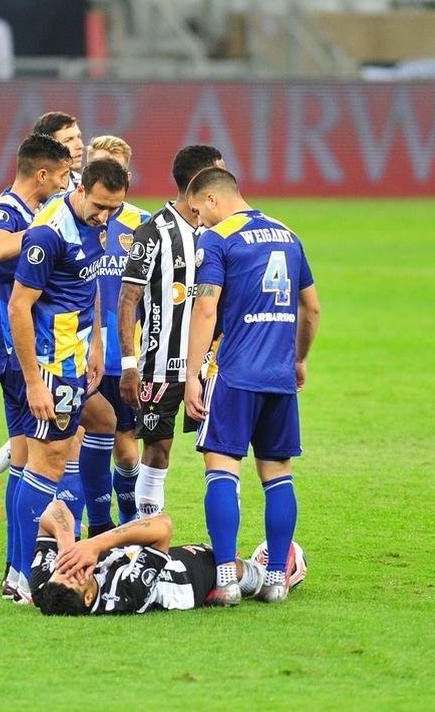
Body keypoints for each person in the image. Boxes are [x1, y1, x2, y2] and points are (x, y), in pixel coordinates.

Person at [183, 167, 321, 605]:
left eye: (198, 213)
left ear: (210, 200)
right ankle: (277, 579)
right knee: (277, 474)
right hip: (279, 378)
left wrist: (190, 374)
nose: (198, 222)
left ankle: (226, 579)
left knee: (221, 468)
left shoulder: (218, 239)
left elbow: (205, 311)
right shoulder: (289, 235)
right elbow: (312, 308)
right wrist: (298, 358)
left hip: (235, 374)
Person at [6, 158, 130, 603]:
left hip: (79, 359)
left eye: (113, 209)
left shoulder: (98, 224)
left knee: (103, 421)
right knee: (46, 463)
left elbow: (91, 283)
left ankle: (93, 525)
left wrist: (97, 342)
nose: (105, 217)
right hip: (51, 366)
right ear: (82, 190)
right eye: (99, 206)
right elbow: (19, 308)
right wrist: (34, 383)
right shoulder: (48, 234)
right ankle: (21, 576)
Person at [0, 134, 72, 598]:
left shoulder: (26, 211)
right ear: (43, 174)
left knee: (25, 458)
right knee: (40, 460)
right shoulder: (6, 213)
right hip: (17, 349)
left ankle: (15, 572)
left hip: (13, 348)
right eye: (64, 175)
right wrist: (47, 233)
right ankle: (21, 570)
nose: (68, 183)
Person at [116, 145, 226, 519]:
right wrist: (129, 365)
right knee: (157, 450)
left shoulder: (222, 231)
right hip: (160, 366)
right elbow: (127, 299)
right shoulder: (152, 232)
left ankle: (221, 549)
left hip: (211, 367)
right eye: (220, 173)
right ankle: (148, 538)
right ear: (200, 181)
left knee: (221, 454)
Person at [80, 135, 150, 536]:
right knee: (75, 442)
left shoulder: (142, 225)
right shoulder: (73, 218)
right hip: (76, 351)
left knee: (126, 448)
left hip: (124, 355)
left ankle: (127, 523)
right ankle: (92, 528)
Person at [29, 500, 267, 616]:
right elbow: (163, 525)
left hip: (142, 556)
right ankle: (265, 574)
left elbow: (54, 508)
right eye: (74, 576)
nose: (70, 568)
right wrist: (94, 544)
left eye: (63, 570)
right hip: (186, 578)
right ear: (89, 597)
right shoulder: (123, 594)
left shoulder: (46, 588)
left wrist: (67, 546)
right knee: (225, 567)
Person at [33, 111, 84, 187]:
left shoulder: (84, 185)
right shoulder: (29, 192)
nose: (80, 146)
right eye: (68, 140)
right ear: (48, 148)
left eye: (79, 137)